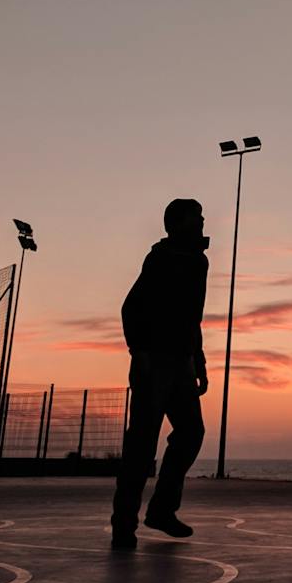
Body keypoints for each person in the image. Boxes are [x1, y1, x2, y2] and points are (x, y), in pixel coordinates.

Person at [110, 197, 210, 550]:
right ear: (176, 223)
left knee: (191, 433)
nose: (202, 222)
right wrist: (140, 352)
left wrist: (198, 360)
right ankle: (124, 524)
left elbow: (191, 317)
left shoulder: (199, 261)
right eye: (195, 217)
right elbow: (130, 308)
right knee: (141, 443)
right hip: (154, 362)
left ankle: (162, 510)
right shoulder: (160, 259)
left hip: (181, 363)